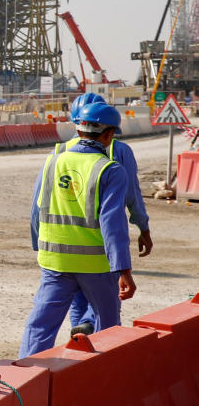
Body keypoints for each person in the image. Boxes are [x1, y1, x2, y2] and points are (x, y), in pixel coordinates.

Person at [20, 101, 136, 357]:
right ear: (108, 136)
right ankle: (103, 379)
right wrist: (123, 270)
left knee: (40, 325)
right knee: (107, 329)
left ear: (79, 130)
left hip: (55, 263)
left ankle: (24, 377)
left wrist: (39, 247)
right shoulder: (110, 170)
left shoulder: (52, 161)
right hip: (95, 266)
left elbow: (36, 210)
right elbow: (113, 224)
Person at [61, 93, 151, 336]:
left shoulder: (61, 151)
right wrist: (143, 227)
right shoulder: (118, 150)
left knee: (77, 298)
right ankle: (94, 332)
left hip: (66, 241)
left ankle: (80, 344)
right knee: (105, 298)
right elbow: (132, 194)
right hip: (101, 241)